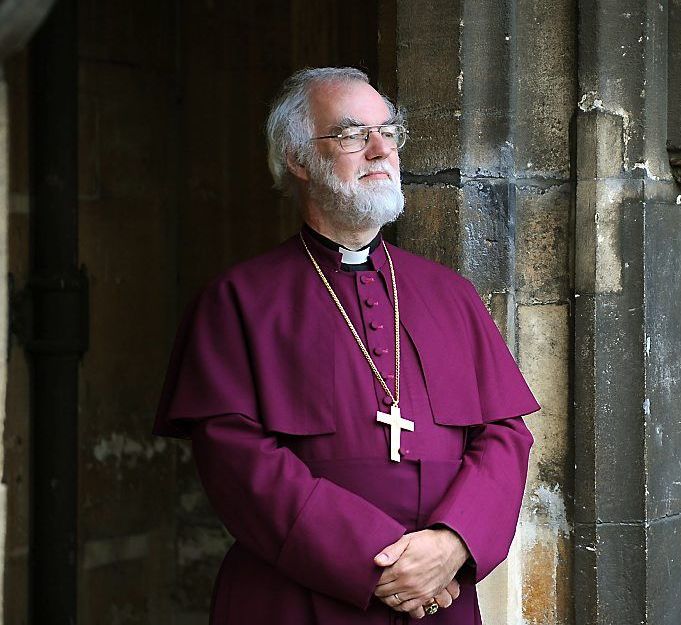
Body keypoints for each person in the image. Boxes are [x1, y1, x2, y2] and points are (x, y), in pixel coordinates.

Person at [153, 67, 540, 624]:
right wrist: (375, 561)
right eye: (354, 134)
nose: (382, 150)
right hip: (295, 598)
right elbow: (236, 461)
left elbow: (505, 434)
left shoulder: (449, 294)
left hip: (439, 600)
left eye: (390, 133)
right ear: (298, 160)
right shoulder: (237, 301)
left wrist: (454, 541)